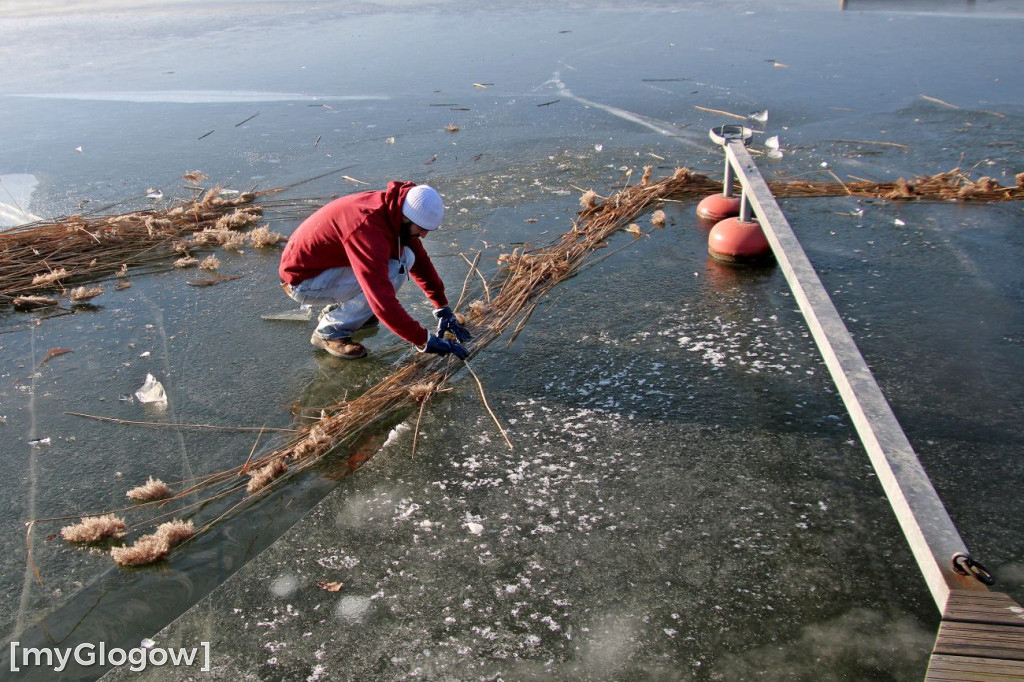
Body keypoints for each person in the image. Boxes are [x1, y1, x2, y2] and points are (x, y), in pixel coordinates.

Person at [279, 181, 471, 360]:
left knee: (407, 257)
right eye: (421, 229)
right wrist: (425, 340)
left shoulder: (394, 209)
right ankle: (329, 332)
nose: (424, 235)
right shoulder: (368, 230)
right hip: (302, 281)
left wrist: (442, 308)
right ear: (406, 218)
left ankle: (351, 313)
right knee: (393, 271)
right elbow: (381, 300)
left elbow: (420, 261)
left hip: (328, 267)